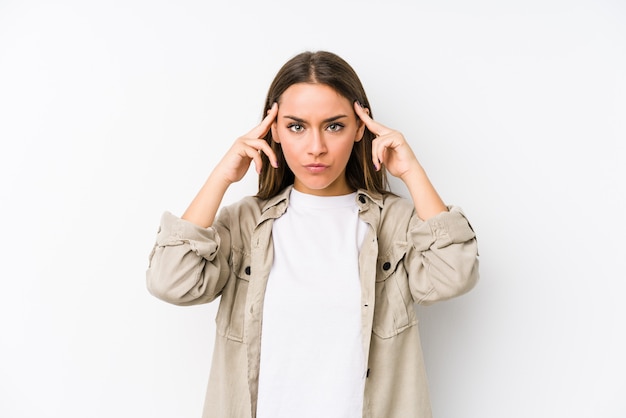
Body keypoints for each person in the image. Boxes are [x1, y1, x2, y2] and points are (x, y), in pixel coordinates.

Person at [146, 50, 479, 418]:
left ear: (359, 128)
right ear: (273, 130)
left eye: (334, 125)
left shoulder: (394, 223)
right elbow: (170, 281)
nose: (316, 147)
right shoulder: (244, 223)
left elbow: (454, 275)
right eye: (296, 126)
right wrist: (222, 176)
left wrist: (412, 172)